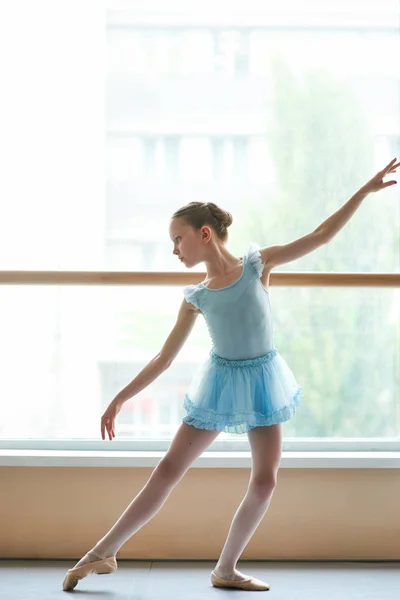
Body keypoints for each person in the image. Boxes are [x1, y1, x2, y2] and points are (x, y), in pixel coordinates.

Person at [63, 158, 399, 592]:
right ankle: (101, 551)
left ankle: (225, 569)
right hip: (219, 385)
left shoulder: (258, 265)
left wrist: (364, 191)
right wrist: (119, 398)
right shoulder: (196, 296)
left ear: (204, 235)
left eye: (177, 240)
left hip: (262, 381)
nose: (174, 250)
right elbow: (164, 359)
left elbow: (320, 236)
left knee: (265, 480)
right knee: (168, 468)